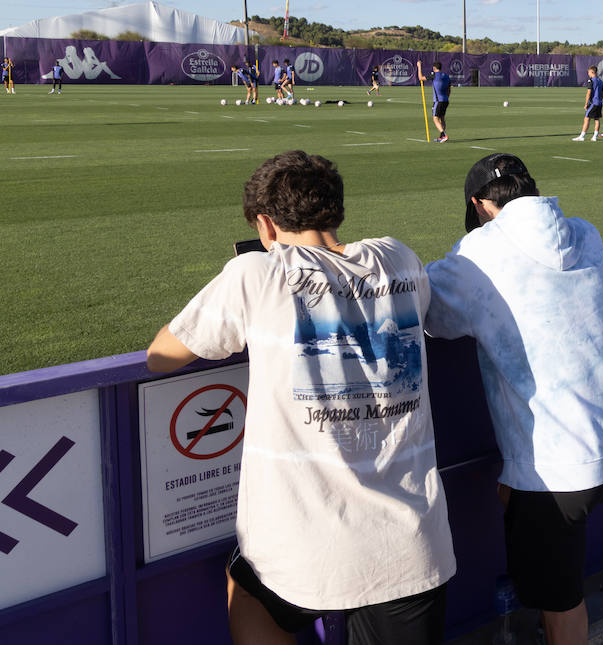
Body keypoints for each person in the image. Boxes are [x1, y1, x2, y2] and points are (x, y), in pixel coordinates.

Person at [145, 151, 455, 645]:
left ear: (265, 226)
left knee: (245, 591)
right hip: (412, 545)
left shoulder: (253, 274)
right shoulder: (399, 257)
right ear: (337, 212)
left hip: (299, 550)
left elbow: (161, 355)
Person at [425, 154, 603, 645]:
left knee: (561, 601)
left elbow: (436, 318)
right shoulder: (582, 230)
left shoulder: (478, 252)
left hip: (558, 469)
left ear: (480, 205)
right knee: (522, 512)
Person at [572, 66, 602, 142]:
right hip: (599, 103)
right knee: (597, 119)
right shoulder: (600, 81)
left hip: (593, 103)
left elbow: (588, 93)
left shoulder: (591, 81)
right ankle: (595, 136)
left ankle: (582, 136)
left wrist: (586, 104)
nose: (588, 74)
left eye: (588, 72)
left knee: (586, 119)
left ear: (592, 72)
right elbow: (602, 92)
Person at [429, 63, 450, 143]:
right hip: (445, 100)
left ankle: (443, 134)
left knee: (435, 118)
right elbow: (449, 89)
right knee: (442, 118)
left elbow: (420, 77)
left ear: (434, 67)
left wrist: (419, 67)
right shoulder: (446, 76)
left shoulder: (434, 75)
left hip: (438, 101)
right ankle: (442, 137)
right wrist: (447, 97)